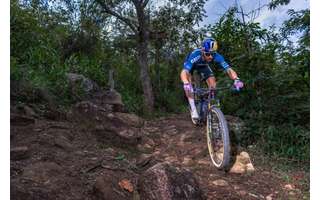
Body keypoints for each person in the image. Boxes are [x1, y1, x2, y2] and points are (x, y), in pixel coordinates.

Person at [180, 38, 244, 123]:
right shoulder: (196, 55)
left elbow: (228, 69)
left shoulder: (216, 56)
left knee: (213, 84)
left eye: (212, 54)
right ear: (203, 51)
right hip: (191, 65)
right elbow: (184, 71)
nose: (210, 56)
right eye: (207, 54)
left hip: (203, 66)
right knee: (188, 83)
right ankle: (193, 108)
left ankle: (210, 105)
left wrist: (236, 79)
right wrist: (186, 83)